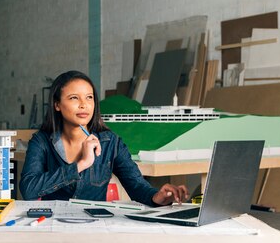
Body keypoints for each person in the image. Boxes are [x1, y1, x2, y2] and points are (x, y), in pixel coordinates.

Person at [20, 70, 188, 206]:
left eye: (89, 97)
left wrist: (158, 197)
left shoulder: (110, 143)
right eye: (74, 98)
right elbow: (28, 189)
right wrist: (81, 164)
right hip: (53, 227)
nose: (83, 104)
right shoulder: (42, 142)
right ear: (57, 104)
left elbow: (137, 186)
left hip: (95, 228)